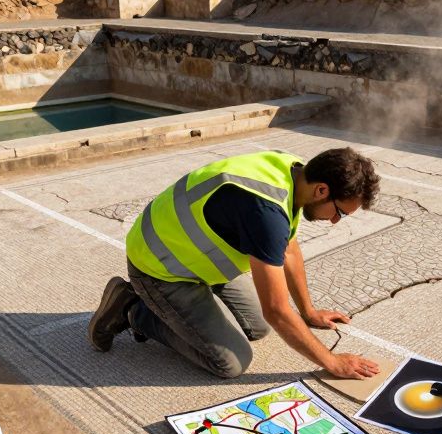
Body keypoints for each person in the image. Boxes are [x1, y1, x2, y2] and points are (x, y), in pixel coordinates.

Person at [88, 147, 382, 380]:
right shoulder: (266, 212)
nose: (335, 221)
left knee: (258, 328)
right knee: (230, 363)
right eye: (340, 213)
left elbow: (289, 250)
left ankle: (185, 308)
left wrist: (308, 312)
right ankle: (133, 310)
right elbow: (277, 311)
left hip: (196, 257)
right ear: (322, 190)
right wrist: (332, 362)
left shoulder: (294, 171)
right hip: (160, 267)